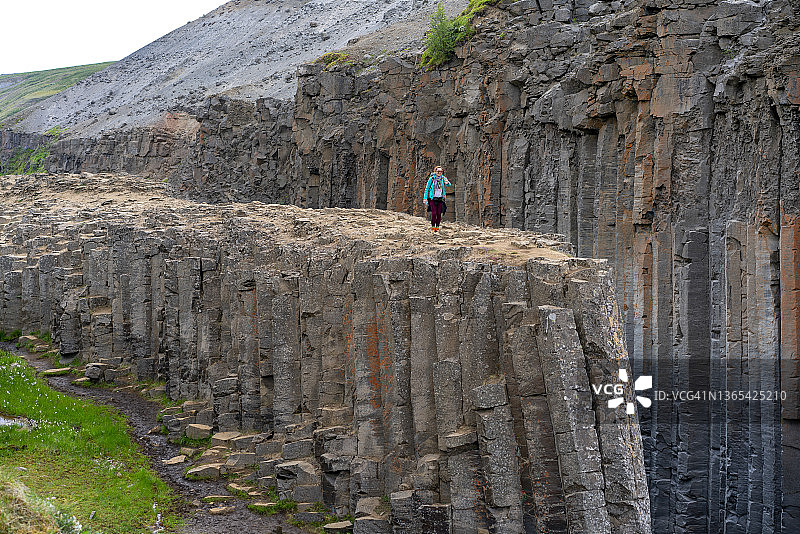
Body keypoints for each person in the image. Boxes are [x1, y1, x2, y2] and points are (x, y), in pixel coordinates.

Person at [422, 166, 451, 233]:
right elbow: (427, 188)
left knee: (439, 213)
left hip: (440, 198)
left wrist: (447, 183)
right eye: (438, 171)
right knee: (434, 213)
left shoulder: (443, 178)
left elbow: (448, 185)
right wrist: (425, 198)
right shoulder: (431, 179)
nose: (440, 173)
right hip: (433, 198)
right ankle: (433, 227)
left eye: (441, 171)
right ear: (435, 172)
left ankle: (437, 227)